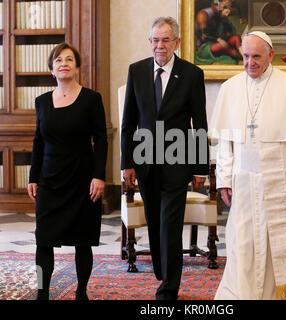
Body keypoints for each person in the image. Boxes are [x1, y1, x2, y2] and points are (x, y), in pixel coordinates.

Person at [209, 31, 286, 300]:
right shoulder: (230, 88)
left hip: (282, 182)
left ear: (271, 55)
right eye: (246, 56)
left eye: (257, 57)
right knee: (245, 244)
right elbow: (226, 142)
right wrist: (224, 179)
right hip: (245, 182)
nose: (250, 63)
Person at [121, 17, 209, 300]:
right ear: (150, 42)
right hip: (145, 162)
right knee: (154, 221)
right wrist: (127, 162)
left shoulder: (192, 74)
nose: (160, 45)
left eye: (166, 40)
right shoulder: (136, 72)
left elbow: (200, 124)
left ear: (177, 42)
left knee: (170, 225)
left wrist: (200, 169)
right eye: (155, 40)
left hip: (177, 162)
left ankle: (169, 287)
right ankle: (162, 270)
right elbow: (128, 122)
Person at [28, 43, 108, 300]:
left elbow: (101, 140)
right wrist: (33, 177)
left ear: (77, 66)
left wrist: (99, 176)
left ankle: (81, 291)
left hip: (82, 181)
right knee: (43, 241)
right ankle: (42, 292)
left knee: (82, 241)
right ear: (51, 68)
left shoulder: (91, 99)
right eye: (58, 60)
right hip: (50, 181)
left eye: (69, 59)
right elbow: (38, 141)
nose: (64, 63)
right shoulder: (41, 102)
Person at [195, 0, 243, 65]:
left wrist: (224, 19)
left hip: (216, 42)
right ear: (217, 3)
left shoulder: (219, 14)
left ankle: (243, 55)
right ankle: (241, 57)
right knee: (223, 46)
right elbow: (204, 36)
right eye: (225, 6)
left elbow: (226, 32)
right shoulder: (203, 14)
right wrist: (219, 39)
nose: (227, 8)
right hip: (204, 47)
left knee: (236, 38)